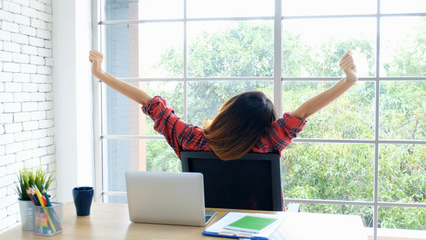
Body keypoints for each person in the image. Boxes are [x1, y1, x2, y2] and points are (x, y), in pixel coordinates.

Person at [89, 50, 357, 161]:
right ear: (263, 126)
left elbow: (149, 102)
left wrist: (101, 75)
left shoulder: (191, 140)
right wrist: (347, 82)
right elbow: (303, 111)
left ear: (227, 111)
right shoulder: (266, 143)